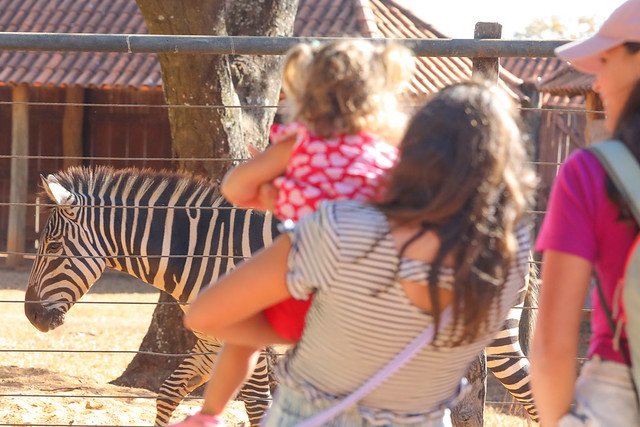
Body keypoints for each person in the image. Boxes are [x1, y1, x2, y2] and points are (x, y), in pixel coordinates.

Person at [182, 80, 536, 426]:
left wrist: (314, 332)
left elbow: (204, 316)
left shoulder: (343, 227)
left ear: (414, 147)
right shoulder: (508, 252)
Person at [170, 39, 414, 427]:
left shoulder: (299, 144)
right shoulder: (389, 154)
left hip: (304, 284)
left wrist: (274, 188)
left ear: (305, 90)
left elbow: (233, 188)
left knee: (239, 331)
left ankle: (208, 414)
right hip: (375, 300)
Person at [530, 0, 640, 425]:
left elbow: (551, 349)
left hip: (617, 395)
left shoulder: (591, 173)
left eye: (606, 60)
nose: (597, 81)